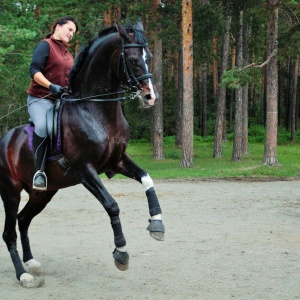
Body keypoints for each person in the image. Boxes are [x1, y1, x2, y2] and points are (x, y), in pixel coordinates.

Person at [27, 16, 78, 191]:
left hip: (61, 102)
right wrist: (51, 86)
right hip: (40, 99)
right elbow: (34, 71)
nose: (72, 34)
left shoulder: (67, 53)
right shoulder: (45, 45)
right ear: (58, 26)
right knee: (42, 127)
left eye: (74, 32)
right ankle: (39, 172)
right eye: (70, 29)